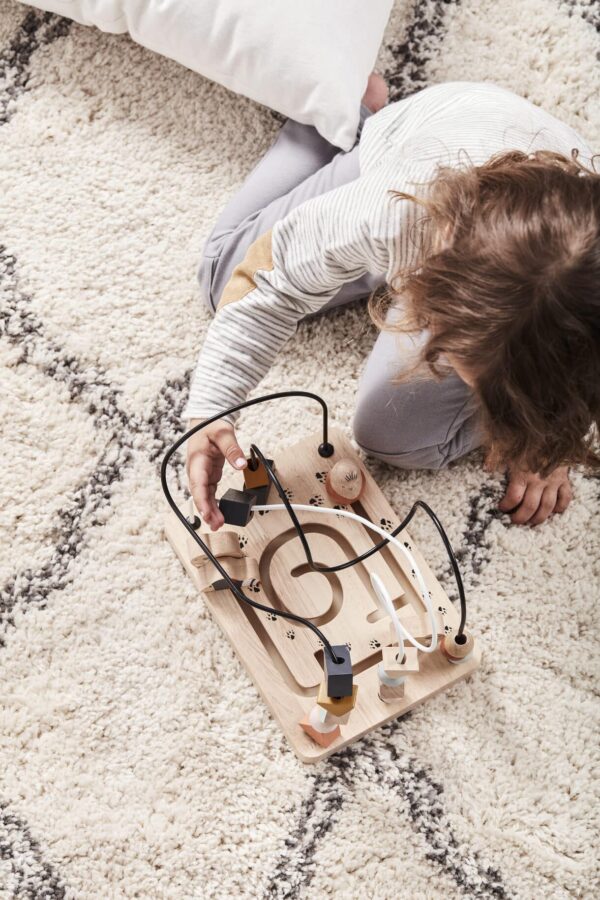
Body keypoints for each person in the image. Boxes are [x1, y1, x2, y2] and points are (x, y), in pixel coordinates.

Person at [183, 76, 599, 531]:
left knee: (392, 435)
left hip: (542, 262)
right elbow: (270, 282)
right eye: (452, 356)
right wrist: (210, 409)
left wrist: (545, 438)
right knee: (223, 279)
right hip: (421, 138)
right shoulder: (391, 212)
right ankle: (342, 110)